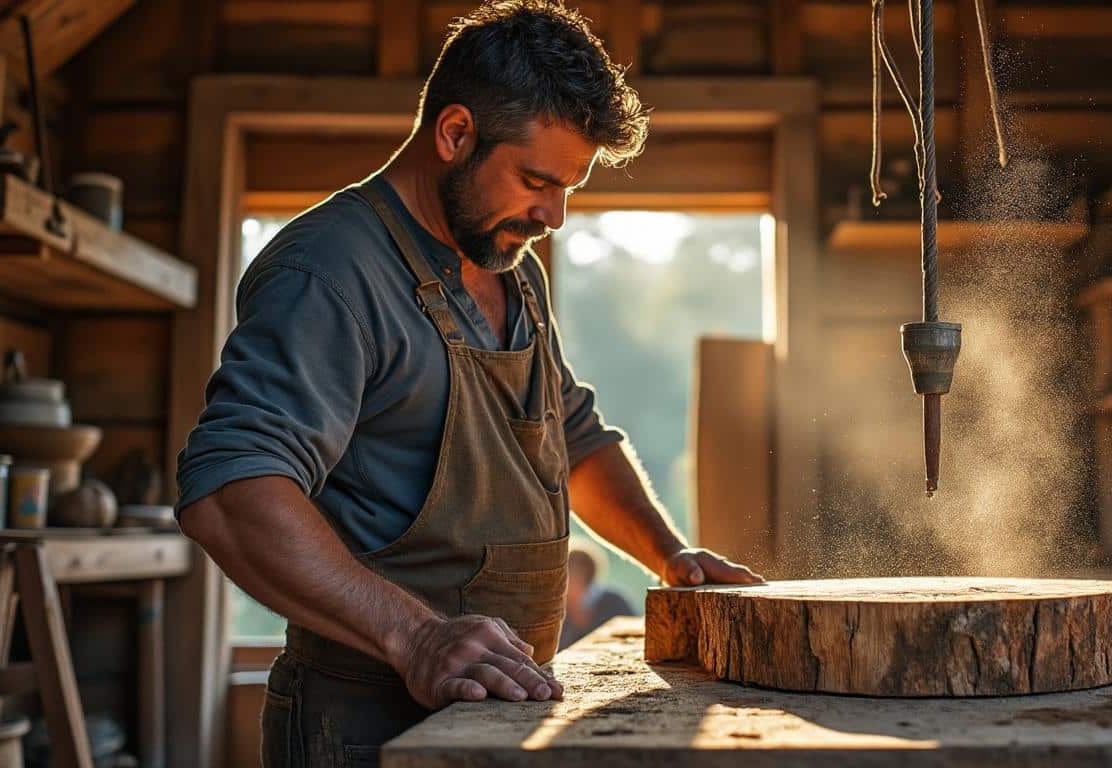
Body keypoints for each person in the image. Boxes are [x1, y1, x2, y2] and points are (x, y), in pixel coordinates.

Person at [175, 1, 763, 763]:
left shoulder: (505, 262)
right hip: (362, 723)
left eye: (568, 189)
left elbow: (570, 435)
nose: (552, 213)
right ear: (455, 135)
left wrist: (670, 556)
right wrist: (415, 637)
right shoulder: (330, 270)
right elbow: (231, 491)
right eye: (536, 180)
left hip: (500, 711)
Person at [559, 538, 637, 649]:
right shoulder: (556, 614)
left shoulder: (614, 603)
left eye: (573, 573)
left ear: (588, 576)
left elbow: (635, 638)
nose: (565, 582)